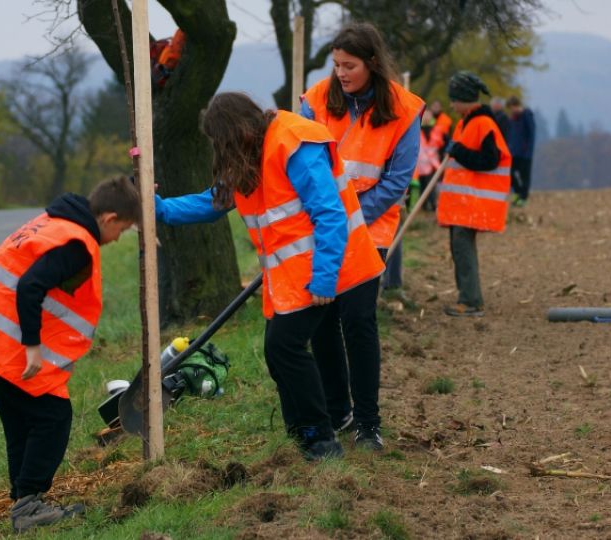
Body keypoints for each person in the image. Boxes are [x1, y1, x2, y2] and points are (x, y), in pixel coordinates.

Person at [156, 92, 385, 461]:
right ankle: (302, 434)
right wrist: (160, 210)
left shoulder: (294, 143)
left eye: (221, 142)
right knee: (278, 352)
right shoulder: (250, 155)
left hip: (329, 269)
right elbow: (211, 201)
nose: (220, 151)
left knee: (286, 348)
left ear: (238, 131)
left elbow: (330, 214)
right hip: (293, 277)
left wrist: (325, 279)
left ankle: (321, 439)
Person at [0, 176, 140, 532]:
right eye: (125, 229)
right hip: (10, 339)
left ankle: (22, 500)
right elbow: (30, 286)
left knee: (20, 421)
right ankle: (29, 505)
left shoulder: (59, 221)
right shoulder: (76, 244)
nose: (118, 238)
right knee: (53, 417)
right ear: (110, 218)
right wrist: (33, 346)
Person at [300, 22, 423, 450]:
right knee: (323, 321)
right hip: (322, 226)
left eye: (349, 65)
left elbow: (396, 182)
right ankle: (339, 412)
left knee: (358, 320)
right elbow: (299, 160)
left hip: (372, 228)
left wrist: (349, 217)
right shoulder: (315, 100)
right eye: (336, 65)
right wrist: (329, 218)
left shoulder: (404, 109)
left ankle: (369, 423)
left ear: (372, 62)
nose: (341, 73)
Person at [437, 72, 512, 317]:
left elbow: (489, 160)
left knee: (463, 250)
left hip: (473, 202)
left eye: (453, 99)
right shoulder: (466, 121)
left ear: (464, 99)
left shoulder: (483, 124)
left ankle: (470, 301)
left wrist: (458, 151)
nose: (451, 104)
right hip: (463, 203)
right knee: (459, 249)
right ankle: (467, 297)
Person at [506, 95, 536, 207]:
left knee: (525, 177)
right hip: (514, 152)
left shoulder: (527, 115)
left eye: (511, 108)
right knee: (510, 173)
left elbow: (531, 135)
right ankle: (518, 193)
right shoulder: (513, 118)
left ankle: (523, 199)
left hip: (525, 154)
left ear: (516, 105)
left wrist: (528, 152)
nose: (511, 111)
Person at [417, 109, 443, 211]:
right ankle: (424, 206)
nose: (427, 118)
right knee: (422, 185)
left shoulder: (437, 130)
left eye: (429, 115)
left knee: (430, 185)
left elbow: (441, 145)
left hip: (432, 163)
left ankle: (432, 205)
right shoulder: (417, 129)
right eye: (425, 116)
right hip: (419, 164)